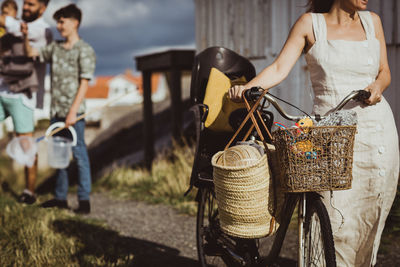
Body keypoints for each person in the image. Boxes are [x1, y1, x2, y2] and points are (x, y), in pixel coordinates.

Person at [229, 0, 399, 266]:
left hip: (377, 130)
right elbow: (278, 68)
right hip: (331, 133)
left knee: (372, 210)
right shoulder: (310, 24)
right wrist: (248, 88)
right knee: (333, 216)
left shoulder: (373, 21)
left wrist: (378, 85)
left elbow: (384, 72)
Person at [22, 3, 96, 214]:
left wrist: (73, 112)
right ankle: (61, 197)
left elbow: (84, 82)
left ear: (75, 23)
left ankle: (84, 201)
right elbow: (31, 54)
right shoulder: (54, 48)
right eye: (57, 22)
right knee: (59, 155)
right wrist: (26, 35)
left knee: (79, 155)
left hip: (75, 113)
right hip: (56, 112)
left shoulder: (85, 50)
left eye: (62, 21)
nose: (59, 26)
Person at [0, 0, 52, 204]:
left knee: (25, 144)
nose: (26, 7)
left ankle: (29, 192)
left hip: (24, 95)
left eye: (31, 4)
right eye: (25, 4)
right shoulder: (15, 25)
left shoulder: (43, 30)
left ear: (43, 7)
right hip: (2, 91)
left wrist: (7, 20)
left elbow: (13, 26)